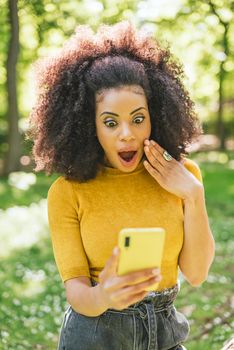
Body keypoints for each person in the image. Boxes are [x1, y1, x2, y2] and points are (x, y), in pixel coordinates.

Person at [29, 21, 215, 350]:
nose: (126, 134)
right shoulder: (67, 192)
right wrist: (104, 294)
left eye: (138, 119)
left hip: (166, 335)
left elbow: (197, 273)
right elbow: (77, 295)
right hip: (95, 336)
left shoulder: (184, 176)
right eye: (111, 122)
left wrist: (193, 195)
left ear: (155, 116)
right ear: (90, 125)